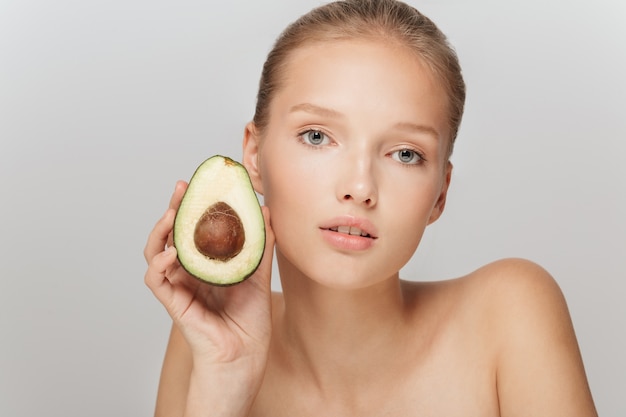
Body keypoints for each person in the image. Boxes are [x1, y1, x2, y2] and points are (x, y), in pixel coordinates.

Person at [143, 0, 598, 415]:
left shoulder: (508, 314)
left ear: (441, 191)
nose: (359, 188)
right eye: (317, 136)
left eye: (405, 154)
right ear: (255, 156)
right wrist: (224, 381)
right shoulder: (206, 337)